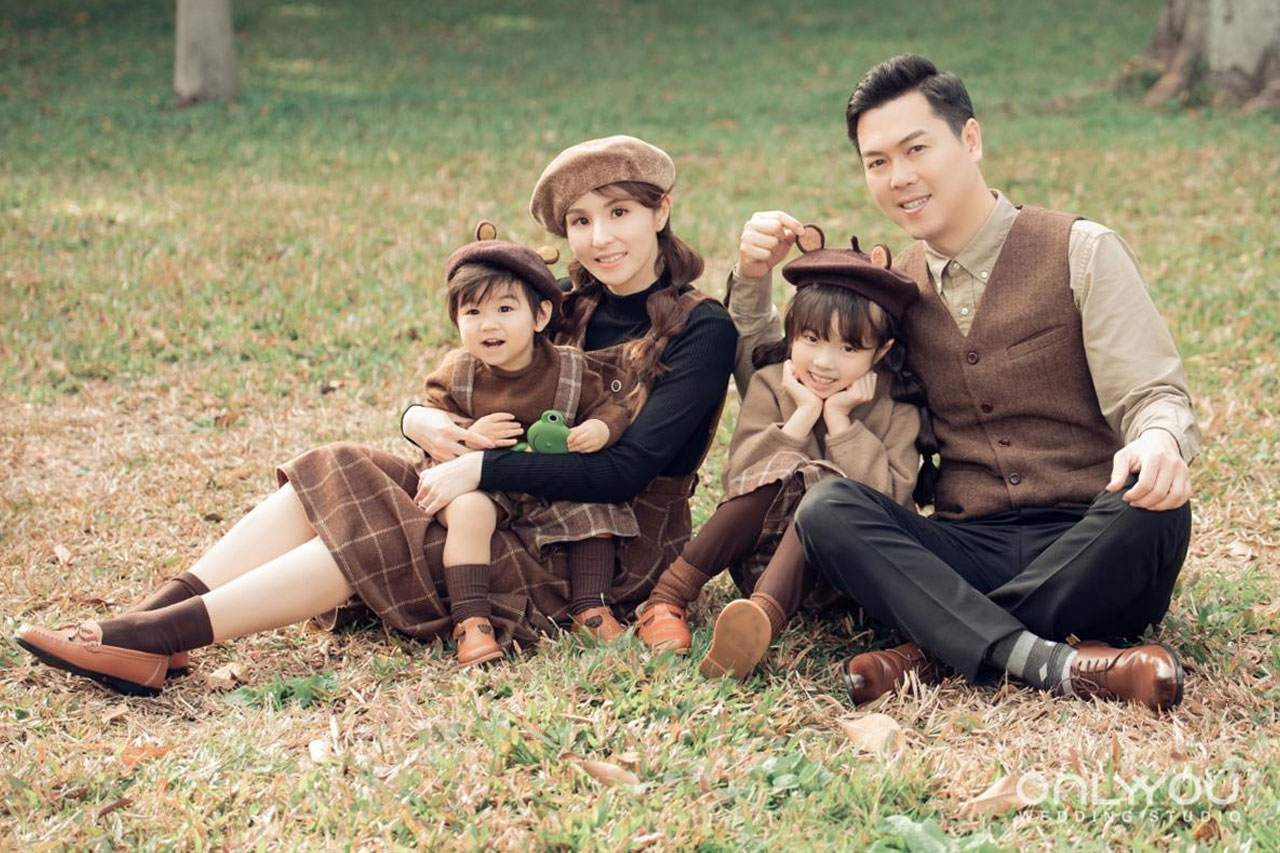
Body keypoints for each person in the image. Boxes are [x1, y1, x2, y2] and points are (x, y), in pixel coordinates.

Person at [15, 135, 737, 696]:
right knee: (334, 467)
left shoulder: (701, 328)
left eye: (619, 213)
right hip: (508, 500)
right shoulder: (563, 307)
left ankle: (157, 637)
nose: (601, 238)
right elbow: (473, 380)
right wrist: (417, 420)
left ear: (660, 212)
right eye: (581, 221)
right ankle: (148, 625)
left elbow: (625, 472)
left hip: (601, 544)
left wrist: (480, 469)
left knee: (385, 529)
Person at [726, 55, 1199, 713]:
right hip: (968, 545)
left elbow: (1154, 395)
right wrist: (751, 280)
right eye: (877, 161)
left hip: (1091, 533)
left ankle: (931, 651)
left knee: (1155, 507)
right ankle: (1059, 663)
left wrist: (1159, 441)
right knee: (828, 510)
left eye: (916, 149)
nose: (899, 177)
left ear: (970, 139)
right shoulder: (891, 293)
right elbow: (780, 377)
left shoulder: (1082, 250)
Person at [634, 234, 932, 685]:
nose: (825, 363)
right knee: (791, 475)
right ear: (792, 333)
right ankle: (668, 597)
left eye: (849, 349)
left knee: (823, 493)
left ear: (883, 351)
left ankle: (757, 624)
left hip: (848, 581)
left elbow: (887, 502)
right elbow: (742, 480)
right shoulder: (774, 383)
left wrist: (842, 424)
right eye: (811, 339)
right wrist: (803, 415)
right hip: (762, 561)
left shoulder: (897, 408)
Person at [418, 233, 640, 666]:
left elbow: (611, 407)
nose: (489, 325)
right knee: (469, 513)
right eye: (473, 312)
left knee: (595, 511)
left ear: (540, 316)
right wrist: (467, 431)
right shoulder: (458, 372)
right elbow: (432, 421)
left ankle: (591, 607)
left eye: (505, 309)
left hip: (548, 483)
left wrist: (598, 428)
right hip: (476, 486)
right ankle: (471, 620)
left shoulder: (568, 367)